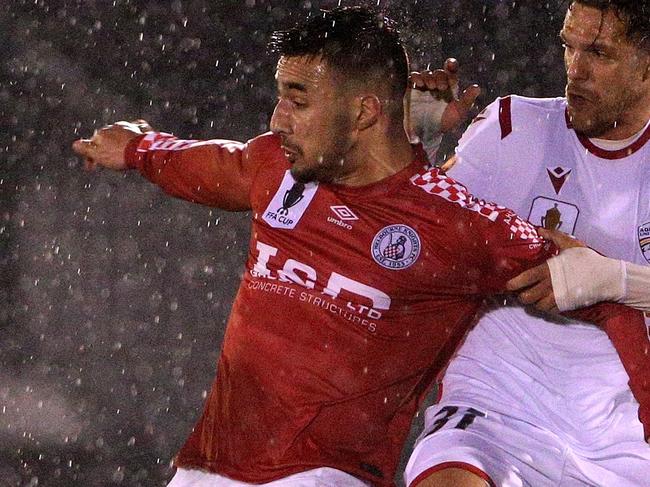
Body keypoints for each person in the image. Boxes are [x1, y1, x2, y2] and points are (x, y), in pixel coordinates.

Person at [71, 6, 649, 487]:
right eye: (568, 47)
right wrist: (138, 148)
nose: (278, 119)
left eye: (298, 100)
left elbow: (581, 282)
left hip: (335, 473)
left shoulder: (458, 226)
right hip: (220, 468)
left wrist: (615, 282)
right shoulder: (280, 166)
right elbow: (219, 166)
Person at [405, 1, 650, 486]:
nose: (575, 71)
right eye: (569, 47)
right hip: (492, 411)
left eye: (598, 53)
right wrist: (409, 149)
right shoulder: (511, 128)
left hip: (620, 444)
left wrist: (611, 279)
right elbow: (408, 239)